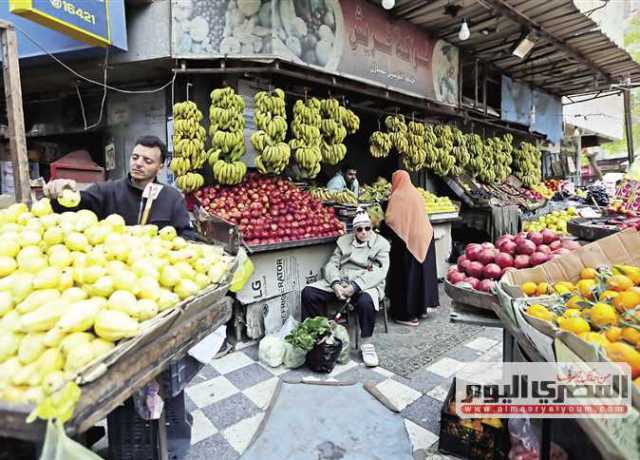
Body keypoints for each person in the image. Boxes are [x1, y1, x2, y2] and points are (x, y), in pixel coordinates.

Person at [44, 135, 197, 239]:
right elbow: (73, 206)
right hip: (114, 272)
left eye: (147, 161)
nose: (138, 163)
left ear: (160, 167)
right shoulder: (106, 191)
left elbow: (186, 235)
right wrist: (59, 194)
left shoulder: (172, 197)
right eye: (135, 157)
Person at [301, 209, 390, 367]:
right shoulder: (344, 242)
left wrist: (355, 286)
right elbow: (331, 264)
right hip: (342, 281)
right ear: (354, 230)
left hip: (366, 283)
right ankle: (321, 333)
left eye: (367, 228)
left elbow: (379, 271)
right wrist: (335, 283)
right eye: (359, 229)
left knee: (366, 302)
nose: (363, 232)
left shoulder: (381, 245)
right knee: (309, 293)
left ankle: (367, 343)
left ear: (371, 228)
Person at [381, 170, 439, 326]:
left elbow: (390, 220)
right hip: (425, 237)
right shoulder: (415, 193)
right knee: (419, 276)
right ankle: (421, 309)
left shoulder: (398, 196)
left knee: (405, 278)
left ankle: (406, 315)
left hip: (408, 241)